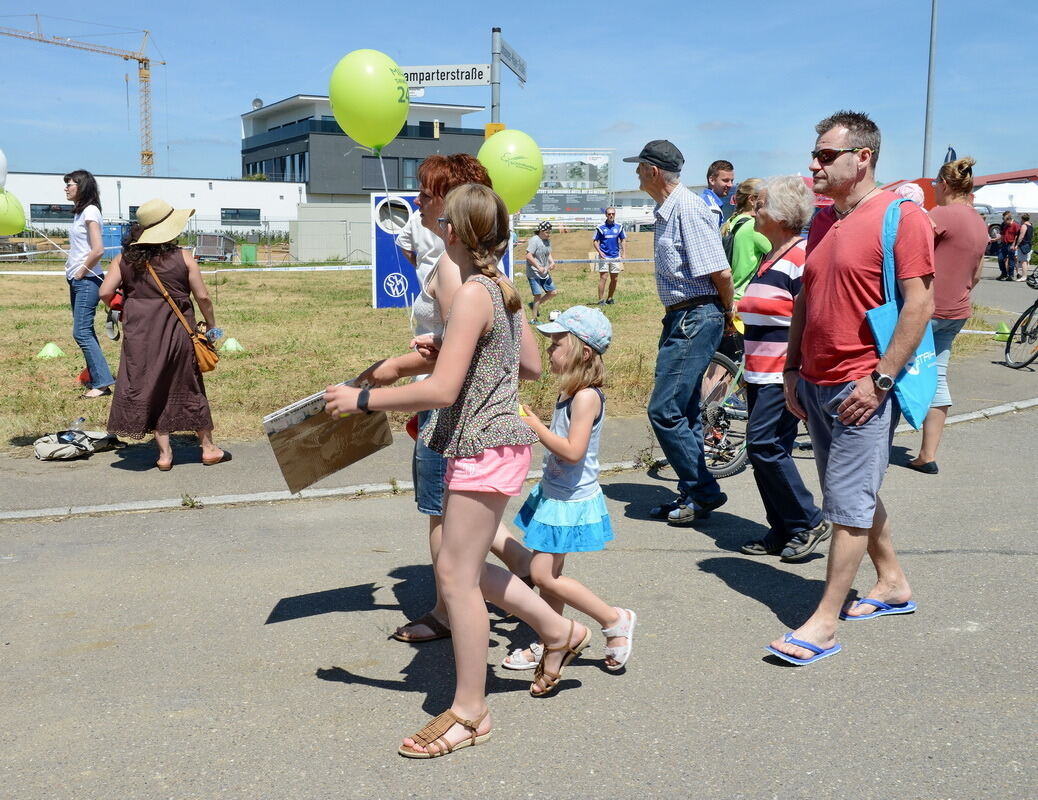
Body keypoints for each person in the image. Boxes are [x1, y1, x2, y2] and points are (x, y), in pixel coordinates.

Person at [324, 184, 592, 758]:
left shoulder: (473, 291)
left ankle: (471, 711)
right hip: (492, 444)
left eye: (442, 219)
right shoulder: (500, 287)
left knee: (457, 580)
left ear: (453, 231)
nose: (436, 226)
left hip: (483, 445)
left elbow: (444, 390)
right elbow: (527, 364)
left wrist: (363, 401)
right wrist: (454, 343)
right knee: (458, 568)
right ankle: (557, 630)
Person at [769, 110, 934, 666]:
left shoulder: (901, 215)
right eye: (814, 153)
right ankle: (891, 583)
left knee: (847, 502)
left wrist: (880, 378)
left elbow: (921, 303)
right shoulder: (822, 218)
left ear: (862, 158)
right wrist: (792, 368)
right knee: (851, 496)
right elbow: (806, 300)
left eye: (824, 155)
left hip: (861, 383)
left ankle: (823, 622)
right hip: (814, 381)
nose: (813, 164)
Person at [354, 154, 533, 644]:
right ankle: (529, 577)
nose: (418, 200)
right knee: (465, 517)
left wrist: (379, 386)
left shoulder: (463, 277)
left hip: (457, 410)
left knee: (442, 511)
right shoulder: (478, 269)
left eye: (428, 193)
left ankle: (450, 611)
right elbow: (518, 357)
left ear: (453, 203)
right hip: (479, 411)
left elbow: (462, 356)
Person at [501, 306, 636, 672]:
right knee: (550, 577)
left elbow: (574, 452)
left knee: (545, 576)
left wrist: (535, 427)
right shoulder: (570, 391)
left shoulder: (586, 396)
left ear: (583, 352)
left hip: (569, 499)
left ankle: (613, 618)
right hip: (556, 493)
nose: (549, 351)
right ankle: (550, 638)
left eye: (557, 343)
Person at [622, 140, 735, 525]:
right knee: (683, 410)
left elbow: (720, 272)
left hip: (696, 316)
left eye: (639, 167)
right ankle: (692, 495)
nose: (636, 173)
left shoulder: (687, 209)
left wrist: (726, 311)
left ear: (653, 171)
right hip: (681, 317)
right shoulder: (667, 210)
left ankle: (703, 490)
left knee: (664, 409)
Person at [736, 176, 830, 561]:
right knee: (766, 451)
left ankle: (808, 519)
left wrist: (797, 372)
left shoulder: (801, 258)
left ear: (778, 215)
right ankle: (782, 527)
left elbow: (810, 321)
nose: (754, 211)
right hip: (758, 373)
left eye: (760, 206)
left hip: (781, 374)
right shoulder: (770, 256)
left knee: (764, 446)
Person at [100, 198, 228, 470]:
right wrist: (211, 325)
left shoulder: (123, 259)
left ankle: (165, 455)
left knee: (151, 386)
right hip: (178, 332)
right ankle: (207, 448)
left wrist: (125, 306)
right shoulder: (183, 256)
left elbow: (104, 292)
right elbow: (203, 296)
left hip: (140, 334)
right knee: (189, 384)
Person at [907, 157, 989, 474]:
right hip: (958, 309)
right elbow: (978, 273)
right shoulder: (978, 221)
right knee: (937, 375)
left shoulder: (938, 215)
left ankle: (874, 445)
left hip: (926, 309)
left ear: (943, 184)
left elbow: (912, 255)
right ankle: (927, 455)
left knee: (894, 372)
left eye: (935, 186)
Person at [63, 170, 116, 399]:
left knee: (81, 332)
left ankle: (102, 383)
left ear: (82, 186)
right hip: (77, 278)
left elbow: (98, 250)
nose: (66, 188)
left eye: (70, 184)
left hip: (86, 280)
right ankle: (98, 378)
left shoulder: (91, 211)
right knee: (85, 331)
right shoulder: (80, 212)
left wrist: (81, 272)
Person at [721, 178, 771, 300]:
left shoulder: (730, 221)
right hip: (744, 298)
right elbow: (779, 255)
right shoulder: (754, 227)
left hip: (730, 296)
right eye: (766, 198)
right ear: (752, 200)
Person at [592, 207, 626, 305]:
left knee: (614, 279)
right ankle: (601, 300)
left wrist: (623, 253)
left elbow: (623, 240)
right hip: (604, 257)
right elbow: (595, 241)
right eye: (609, 214)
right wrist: (599, 252)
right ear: (606, 215)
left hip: (615, 256)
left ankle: (610, 298)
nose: (611, 215)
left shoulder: (619, 226)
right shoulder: (600, 227)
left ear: (615, 214)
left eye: (613, 214)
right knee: (604, 277)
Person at [525, 221, 557, 321]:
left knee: (553, 292)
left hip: (544, 272)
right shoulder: (535, 240)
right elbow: (528, 255)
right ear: (541, 231)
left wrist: (552, 262)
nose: (549, 234)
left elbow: (548, 253)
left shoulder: (547, 240)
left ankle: (533, 305)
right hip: (534, 272)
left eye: (550, 232)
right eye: (547, 232)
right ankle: (534, 319)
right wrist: (538, 267)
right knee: (537, 295)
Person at [701, 159, 735, 228]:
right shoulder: (712, 209)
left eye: (732, 181)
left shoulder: (702, 199)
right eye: (725, 180)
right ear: (712, 180)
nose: (730, 185)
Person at [996, 211, 1019, 281]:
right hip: (1004, 245)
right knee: (1000, 258)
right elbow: (1002, 234)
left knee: (1011, 261)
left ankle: (1011, 275)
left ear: (1009, 219)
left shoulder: (1015, 225)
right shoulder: (1005, 225)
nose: (1004, 222)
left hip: (1011, 245)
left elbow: (1017, 236)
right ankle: (1004, 273)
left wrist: (1014, 245)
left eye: (1005, 221)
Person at [1014, 213, 1032, 280]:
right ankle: (1024, 275)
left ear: (1022, 219)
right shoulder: (1030, 225)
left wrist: (1017, 244)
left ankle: (1024, 276)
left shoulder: (1024, 226)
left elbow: (1021, 236)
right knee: (1025, 260)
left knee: (1023, 261)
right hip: (1028, 244)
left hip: (1023, 245)